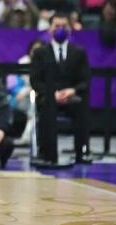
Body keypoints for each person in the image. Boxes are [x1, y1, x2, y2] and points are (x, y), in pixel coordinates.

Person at [30, 13, 92, 164]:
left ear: (70, 29)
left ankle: (82, 151)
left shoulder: (79, 52)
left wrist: (72, 91)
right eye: (57, 26)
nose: (60, 29)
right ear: (50, 29)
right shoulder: (40, 53)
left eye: (64, 26)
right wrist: (53, 93)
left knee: (81, 103)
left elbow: (85, 80)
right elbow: (35, 81)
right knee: (47, 105)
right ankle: (47, 153)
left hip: (71, 96)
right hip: (48, 96)